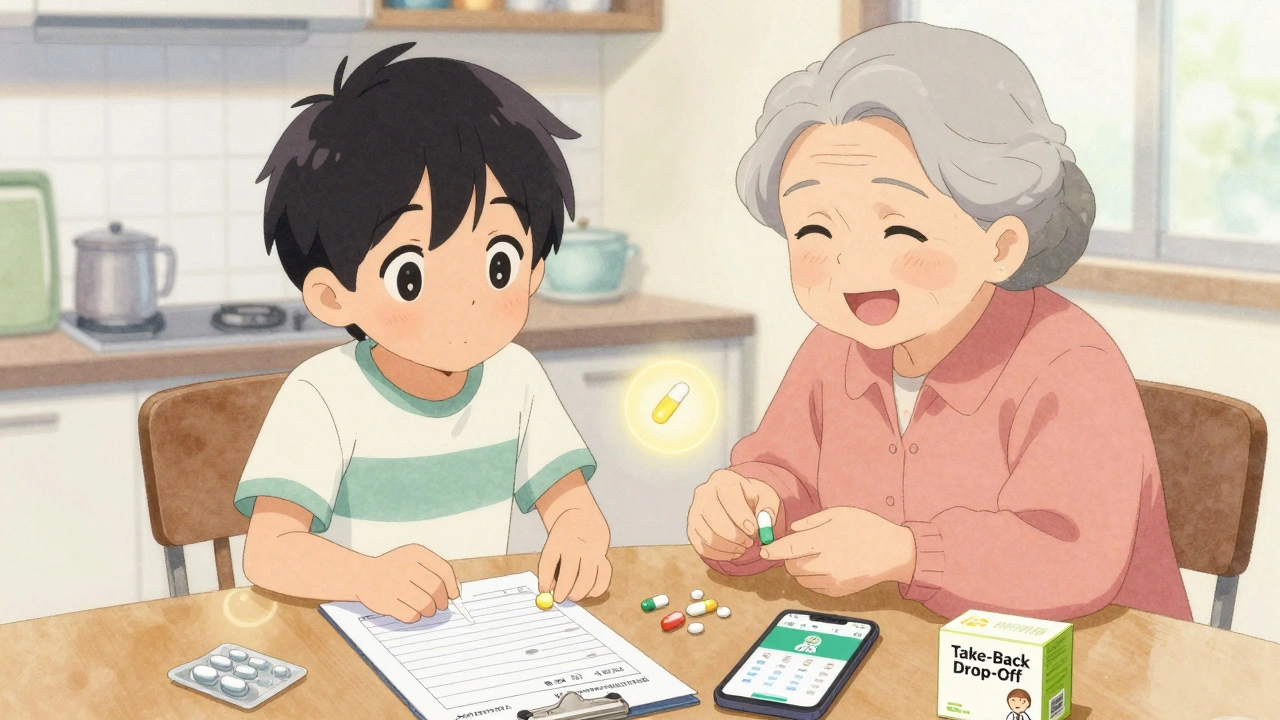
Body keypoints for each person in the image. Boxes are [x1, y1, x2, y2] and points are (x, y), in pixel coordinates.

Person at [686, 22, 1192, 622]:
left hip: (1079, 663)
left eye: (900, 229)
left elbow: (1074, 556)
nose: (852, 266)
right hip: (897, 646)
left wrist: (907, 553)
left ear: (1001, 246)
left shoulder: (1071, 363)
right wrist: (749, 506)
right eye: (816, 230)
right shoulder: (834, 348)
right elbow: (786, 475)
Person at [234, 44, 611, 624]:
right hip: (359, 634)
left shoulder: (517, 376)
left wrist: (579, 540)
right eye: (409, 276)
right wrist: (365, 577)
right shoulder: (323, 394)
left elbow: (573, 508)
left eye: (499, 264)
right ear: (332, 296)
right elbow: (268, 552)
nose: (465, 303)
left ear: (534, 269)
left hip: (474, 633)